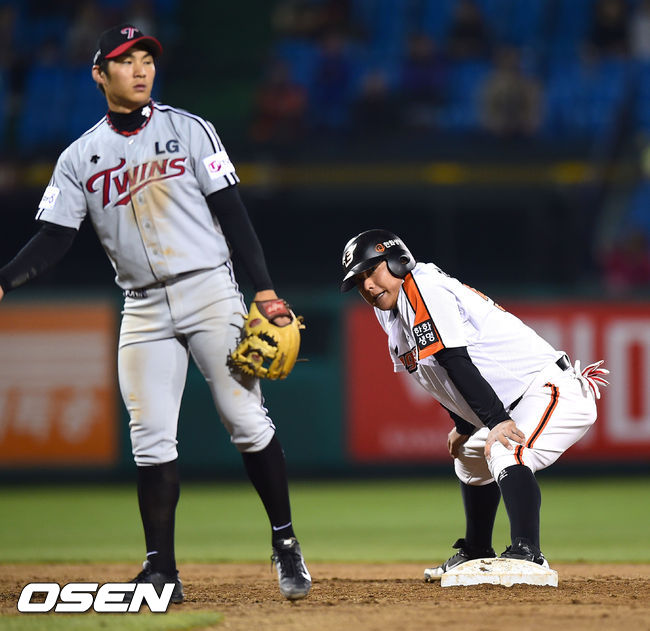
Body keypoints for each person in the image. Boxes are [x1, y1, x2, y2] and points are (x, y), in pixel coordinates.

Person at [0, 24, 311, 602]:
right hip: (142, 307)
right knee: (150, 439)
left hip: (209, 290)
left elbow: (232, 211)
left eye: (146, 58)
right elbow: (54, 237)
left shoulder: (189, 130)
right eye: (126, 61)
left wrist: (264, 289)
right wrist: (4, 281)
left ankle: (285, 541)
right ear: (100, 75)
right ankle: (161, 569)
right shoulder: (79, 157)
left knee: (244, 420)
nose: (141, 68)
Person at [340, 229, 608, 580]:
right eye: (358, 281)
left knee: (506, 448)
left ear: (397, 261)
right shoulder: (391, 309)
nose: (367, 286)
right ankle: (477, 550)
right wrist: (464, 426)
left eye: (370, 272)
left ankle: (529, 555)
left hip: (550, 390)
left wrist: (495, 421)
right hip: (515, 402)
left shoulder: (423, 287)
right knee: (469, 453)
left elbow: (454, 359)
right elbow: (436, 375)